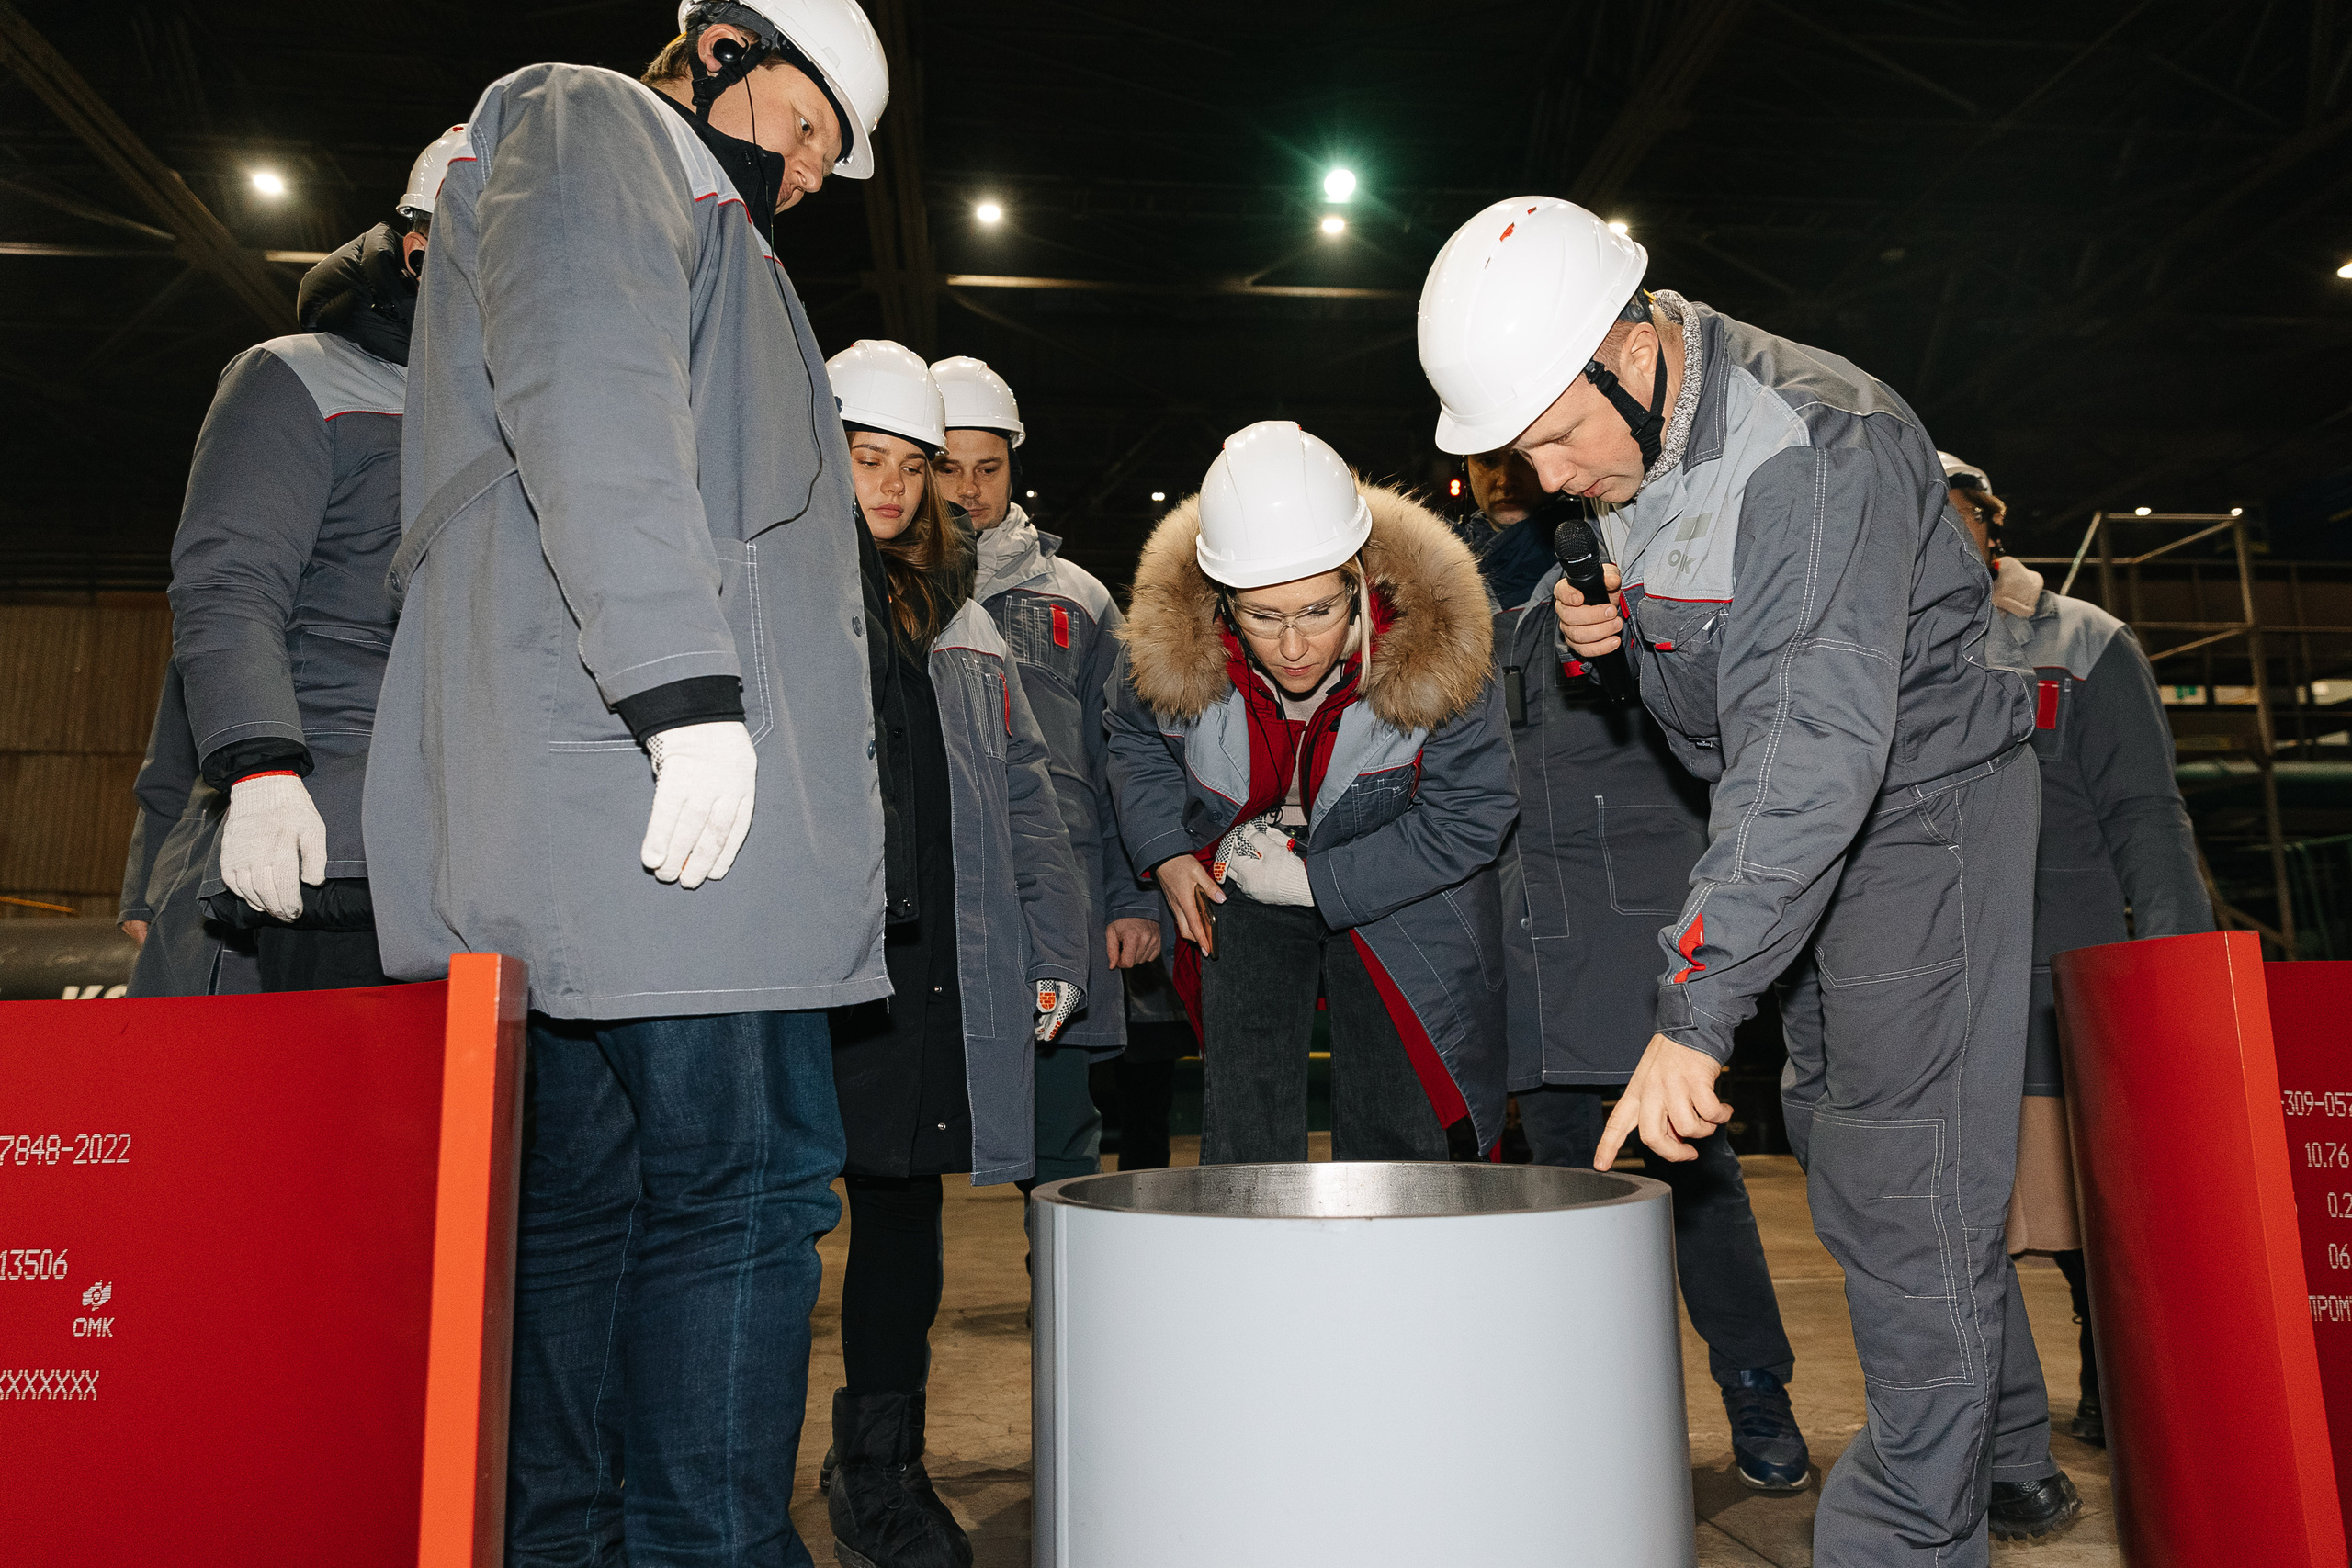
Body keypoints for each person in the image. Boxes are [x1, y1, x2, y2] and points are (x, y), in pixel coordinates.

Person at [1419, 197, 2040, 1565]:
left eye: (1551, 440)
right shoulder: (1640, 450)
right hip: (1809, 821)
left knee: (1899, 1175)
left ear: (1628, 351)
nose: (1549, 481)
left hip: (1909, 822)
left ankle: (1908, 1541)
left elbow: (1808, 745)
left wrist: (1694, 1002)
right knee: (1871, 1155)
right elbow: (1726, 678)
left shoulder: (1818, 445)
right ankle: (2005, 1450)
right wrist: (1618, 632)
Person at [363, 6, 891, 1563]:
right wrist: (683, 691)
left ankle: (574, 1543)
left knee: (588, 1211)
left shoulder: (654, 180)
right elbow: (591, 380)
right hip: (658, 799)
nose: (801, 177)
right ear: (721, 51)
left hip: (590, 808)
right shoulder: (599, 121)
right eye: (800, 131)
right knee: (743, 1194)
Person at [1467, 444, 1810, 1491]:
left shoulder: (1629, 555)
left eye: (1512, 460)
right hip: (1523, 939)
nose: (1498, 480)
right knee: (1565, 1190)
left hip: (1634, 931)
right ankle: (1586, 1402)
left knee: (1692, 1176)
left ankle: (1754, 1384)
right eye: (1481, 465)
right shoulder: (1460, 609)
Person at [820, 341, 1088, 1568]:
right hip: (808, 968)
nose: (890, 487)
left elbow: (1029, 790)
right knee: (760, 1233)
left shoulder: (962, 616)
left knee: (899, 1231)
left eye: (910, 466)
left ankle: (882, 1465)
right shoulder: (781, 593)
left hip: (921, 977)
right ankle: (711, 1460)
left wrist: (1053, 945)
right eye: (865, 457)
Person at [1105, 420, 1517, 1161]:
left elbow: (1473, 812)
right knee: (1243, 1123)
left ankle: (1389, 1267)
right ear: (1220, 598)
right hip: (1241, 881)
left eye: (1319, 612)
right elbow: (1133, 738)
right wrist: (1165, 851)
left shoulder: (1443, 641)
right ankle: (1255, 1267)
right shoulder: (1172, 638)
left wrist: (1314, 881)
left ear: (1359, 579)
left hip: (1399, 883)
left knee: (1398, 1124)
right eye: (1263, 617)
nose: (1293, 646)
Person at [118, 127, 466, 997]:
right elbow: (226, 593)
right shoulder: (298, 378)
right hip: (319, 834)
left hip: (466, 850)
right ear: (416, 248)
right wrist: (263, 770)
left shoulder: (506, 424)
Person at [1944, 450, 2212, 1458]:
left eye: (1950, 515)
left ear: (1987, 522)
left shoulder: (2086, 643)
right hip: (1954, 994)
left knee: (2096, 1226)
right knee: (1969, 1226)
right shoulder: (1886, 652)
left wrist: (2179, 972)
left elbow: (2147, 814)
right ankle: (1996, 1420)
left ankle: (2119, 1378)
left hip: (2067, 997)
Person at [931, 355, 1162, 1196]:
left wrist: (1134, 898)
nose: (968, 489)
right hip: (929, 907)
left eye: (988, 468)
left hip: (1052, 911)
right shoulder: (876, 591)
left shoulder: (1083, 602)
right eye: (948, 466)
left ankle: (1062, 1323)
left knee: (1063, 1146)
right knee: (899, 1167)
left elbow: (1121, 761)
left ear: (1013, 467)